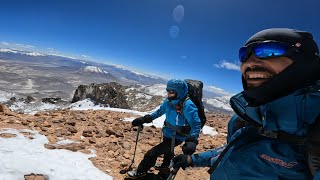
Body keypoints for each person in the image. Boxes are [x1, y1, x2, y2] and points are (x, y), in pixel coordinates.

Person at [171, 28, 320, 179]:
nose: (249, 62)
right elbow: (231, 150)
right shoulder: (244, 119)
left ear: (306, 62)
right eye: (244, 55)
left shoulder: (315, 134)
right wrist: (192, 159)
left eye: (269, 51)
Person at [126, 79, 202, 179]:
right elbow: (159, 112)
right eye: (167, 91)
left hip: (178, 136)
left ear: (179, 92)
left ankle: (140, 172)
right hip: (167, 132)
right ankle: (165, 170)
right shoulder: (168, 101)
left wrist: (192, 140)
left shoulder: (188, 106)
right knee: (168, 152)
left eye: (172, 92)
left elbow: (196, 124)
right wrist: (144, 119)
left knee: (152, 153)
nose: (168, 94)